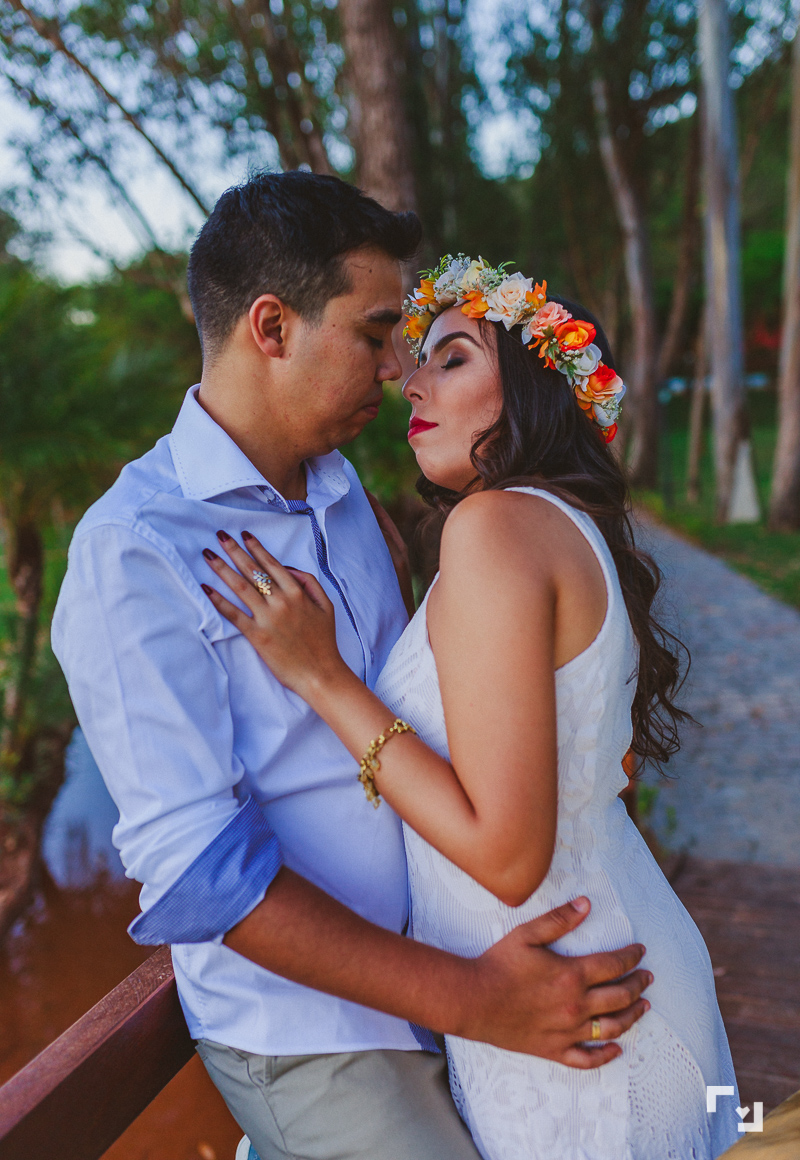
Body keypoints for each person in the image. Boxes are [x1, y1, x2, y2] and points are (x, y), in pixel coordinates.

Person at [52, 175, 652, 1160]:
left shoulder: (344, 492)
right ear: (272, 327)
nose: (391, 369)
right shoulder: (136, 549)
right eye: (374, 334)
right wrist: (473, 999)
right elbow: (202, 872)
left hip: (458, 960)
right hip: (316, 1033)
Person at [201, 251, 741, 1159]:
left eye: (452, 357)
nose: (411, 380)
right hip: (596, 970)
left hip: (572, 1009)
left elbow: (507, 854)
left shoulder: (494, 528)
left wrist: (322, 676)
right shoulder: (546, 527)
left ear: (530, 390)